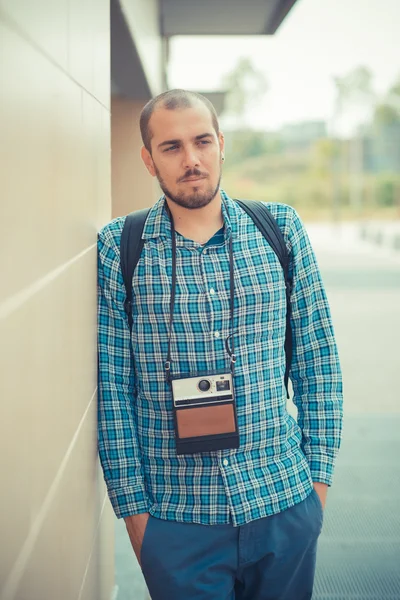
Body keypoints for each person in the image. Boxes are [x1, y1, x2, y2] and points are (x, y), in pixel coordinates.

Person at [97, 89, 343, 600]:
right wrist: (136, 516)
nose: (191, 160)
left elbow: (318, 360)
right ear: (148, 159)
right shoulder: (120, 246)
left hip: (282, 499)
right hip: (176, 516)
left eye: (202, 141)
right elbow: (113, 387)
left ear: (221, 144)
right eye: (171, 147)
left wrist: (316, 483)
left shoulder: (280, 229)